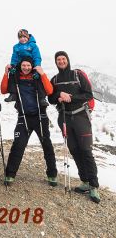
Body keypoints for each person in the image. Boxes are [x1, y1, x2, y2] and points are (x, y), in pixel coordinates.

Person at [48, 51, 100, 203]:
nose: (61, 61)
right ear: (56, 62)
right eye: (58, 59)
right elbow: (50, 98)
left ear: (67, 60)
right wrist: (58, 97)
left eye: (63, 59)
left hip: (80, 116)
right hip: (64, 117)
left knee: (85, 150)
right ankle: (84, 181)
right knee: (75, 150)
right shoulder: (55, 80)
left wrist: (71, 97)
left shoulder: (77, 75)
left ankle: (94, 185)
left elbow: (88, 95)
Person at [2, 58, 57, 186]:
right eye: (23, 65)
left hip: (40, 116)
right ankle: (10, 174)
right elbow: (4, 90)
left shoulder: (38, 77)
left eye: (28, 65)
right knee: (18, 145)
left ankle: (52, 174)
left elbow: (49, 91)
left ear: (31, 66)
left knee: (47, 145)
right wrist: (6, 73)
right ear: (20, 66)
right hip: (24, 117)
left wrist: (43, 74)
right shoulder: (15, 77)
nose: (25, 67)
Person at [5, 29, 42, 102]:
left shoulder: (33, 45)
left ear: (28, 37)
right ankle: (13, 94)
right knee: (12, 74)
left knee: (39, 77)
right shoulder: (16, 47)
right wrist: (13, 65)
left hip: (31, 65)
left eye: (24, 37)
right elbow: (14, 57)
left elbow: (36, 56)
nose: (23, 39)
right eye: (20, 37)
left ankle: (42, 97)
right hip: (21, 65)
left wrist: (37, 66)